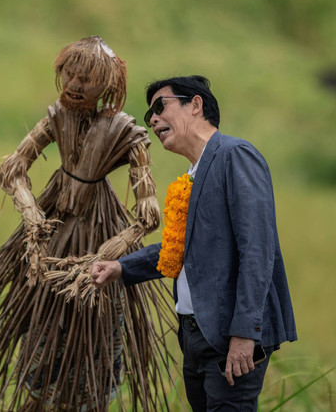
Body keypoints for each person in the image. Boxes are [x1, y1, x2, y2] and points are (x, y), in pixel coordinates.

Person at [0, 36, 173, 411]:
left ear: (109, 85)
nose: (74, 85)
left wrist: (108, 251)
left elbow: (149, 215)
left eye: (86, 78)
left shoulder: (127, 133)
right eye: (69, 74)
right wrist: (32, 214)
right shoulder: (56, 117)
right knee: (42, 330)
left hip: (101, 241)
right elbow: (11, 170)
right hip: (52, 236)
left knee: (97, 341)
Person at [91, 75, 297, 411]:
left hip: (230, 336)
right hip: (194, 334)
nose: (153, 119)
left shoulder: (235, 156)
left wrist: (245, 334)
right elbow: (179, 248)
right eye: (148, 116)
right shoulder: (193, 174)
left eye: (160, 106)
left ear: (196, 104)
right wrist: (121, 267)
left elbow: (257, 251)